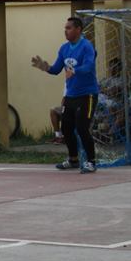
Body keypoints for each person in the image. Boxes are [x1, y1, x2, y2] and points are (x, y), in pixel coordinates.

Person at [31, 16, 100, 173]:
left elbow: (89, 66)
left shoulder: (86, 46)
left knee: (82, 128)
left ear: (78, 29)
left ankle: (91, 162)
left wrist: (74, 71)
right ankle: (73, 159)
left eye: (69, 28)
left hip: (87, 94)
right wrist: (44, 66)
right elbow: (56, 69)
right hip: (71, 95)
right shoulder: (64, 48)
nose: (66, 31)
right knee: (66, 128)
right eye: (65, 28)